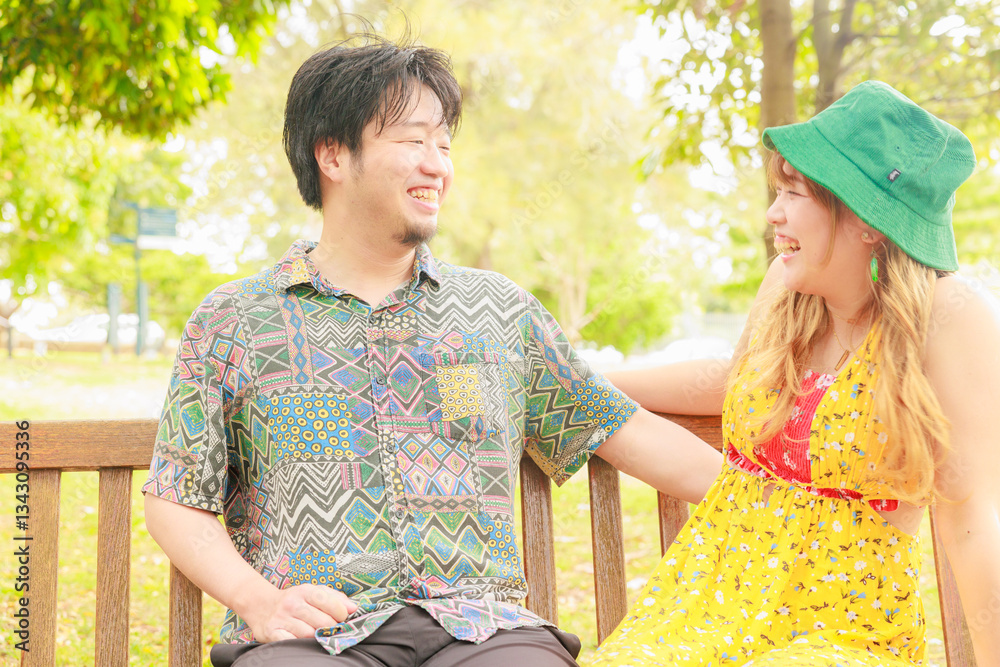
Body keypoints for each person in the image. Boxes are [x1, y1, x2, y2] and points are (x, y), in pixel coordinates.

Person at [142, 33, 723, 667]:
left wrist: (780, 504)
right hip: (319, 637)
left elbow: (623, 427)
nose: (437, 166)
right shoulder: (234, 320)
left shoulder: (498, 312)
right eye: (412, 141)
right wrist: (258, 601)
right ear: (332, 154)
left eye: (443, 145)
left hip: (484, 631)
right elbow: (176, 497)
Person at [592, 80, 1000, 666]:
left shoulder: (948, 316)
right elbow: (739, 380)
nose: (773, 213)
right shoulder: (786, 286)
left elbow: (973, 516)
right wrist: (591, 378)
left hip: (842, 632)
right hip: (707, 608)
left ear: (865, 218)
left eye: (794, 193)